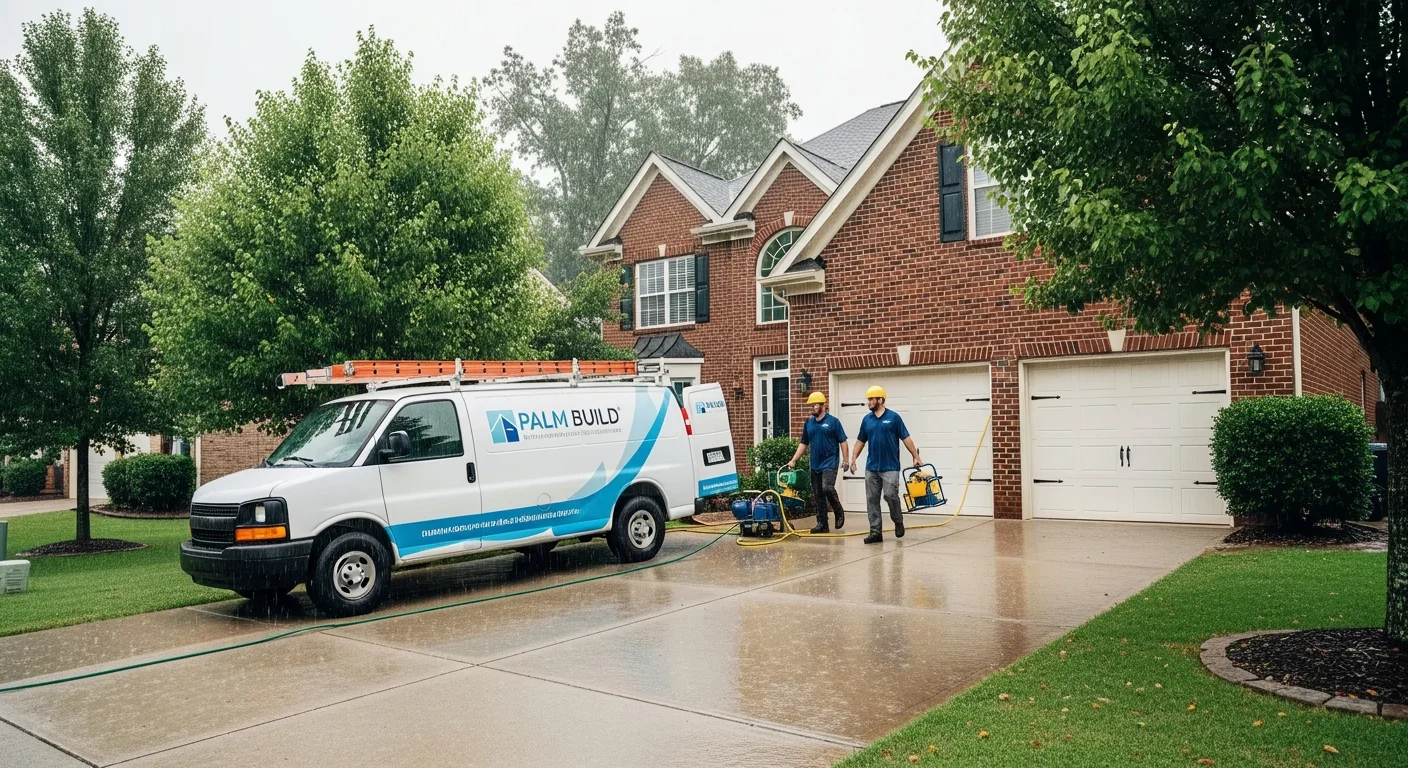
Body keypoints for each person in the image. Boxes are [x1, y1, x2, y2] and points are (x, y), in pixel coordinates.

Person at [850, 385, 922, 544]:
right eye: (868, 399)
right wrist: (853, 459)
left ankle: (898, 519)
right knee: (872, 500)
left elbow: (906, 438)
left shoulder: (894, 418)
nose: (868, 402)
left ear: (880, 400)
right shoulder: (866, 420)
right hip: (872, 468)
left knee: (890, 495)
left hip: (890, 467)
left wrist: (915, 456)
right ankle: (875, 532)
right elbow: (860, 441)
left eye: (871, 399)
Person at [785, 392, 850, 533]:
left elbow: (843, 442)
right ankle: (822, 524)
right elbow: (803, 443)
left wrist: (846, 460)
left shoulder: (833, 422)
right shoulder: (809, 423)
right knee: (818, 494)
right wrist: (793, 460)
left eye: (815, 405)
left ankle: (838, 509)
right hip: (815, 464)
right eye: (811, 405)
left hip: (830, 463)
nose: (812, 407)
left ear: (823, 406)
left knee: (827, 488)